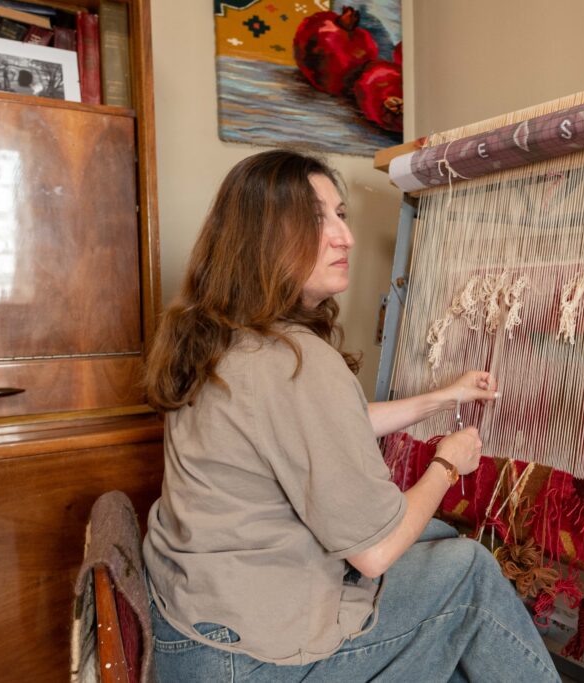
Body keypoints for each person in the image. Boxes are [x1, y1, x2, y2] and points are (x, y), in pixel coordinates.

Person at [142, 149, 560, 682]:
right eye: (318, 221)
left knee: (433, 545)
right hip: (248, 663)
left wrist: (438, 398)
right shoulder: (294, 361)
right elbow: (376, 551)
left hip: (194, 630)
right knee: (469, 573)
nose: (345, 236)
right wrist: (447, 464)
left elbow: (309, 429)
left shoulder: (217, 338)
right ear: (264, 239)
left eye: (340, 215)